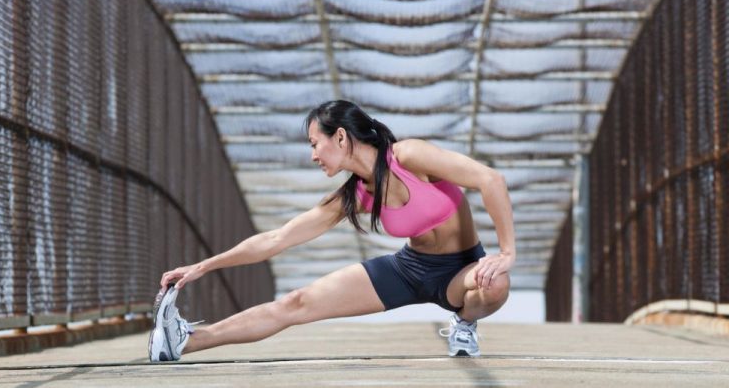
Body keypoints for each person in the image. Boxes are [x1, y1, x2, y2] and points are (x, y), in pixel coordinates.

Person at [148, 100, 515, 362]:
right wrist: (204, 266)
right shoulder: (353, 195)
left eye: (314, 144)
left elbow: (489, 179)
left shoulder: (408, 157)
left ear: (340, 137)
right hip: (409, 270)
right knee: (296, 303)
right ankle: (186, 341)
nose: (313, 156)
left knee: (495, 284)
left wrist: (505, 252)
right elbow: (278, 238)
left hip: (461, 270)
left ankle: (464, 323)